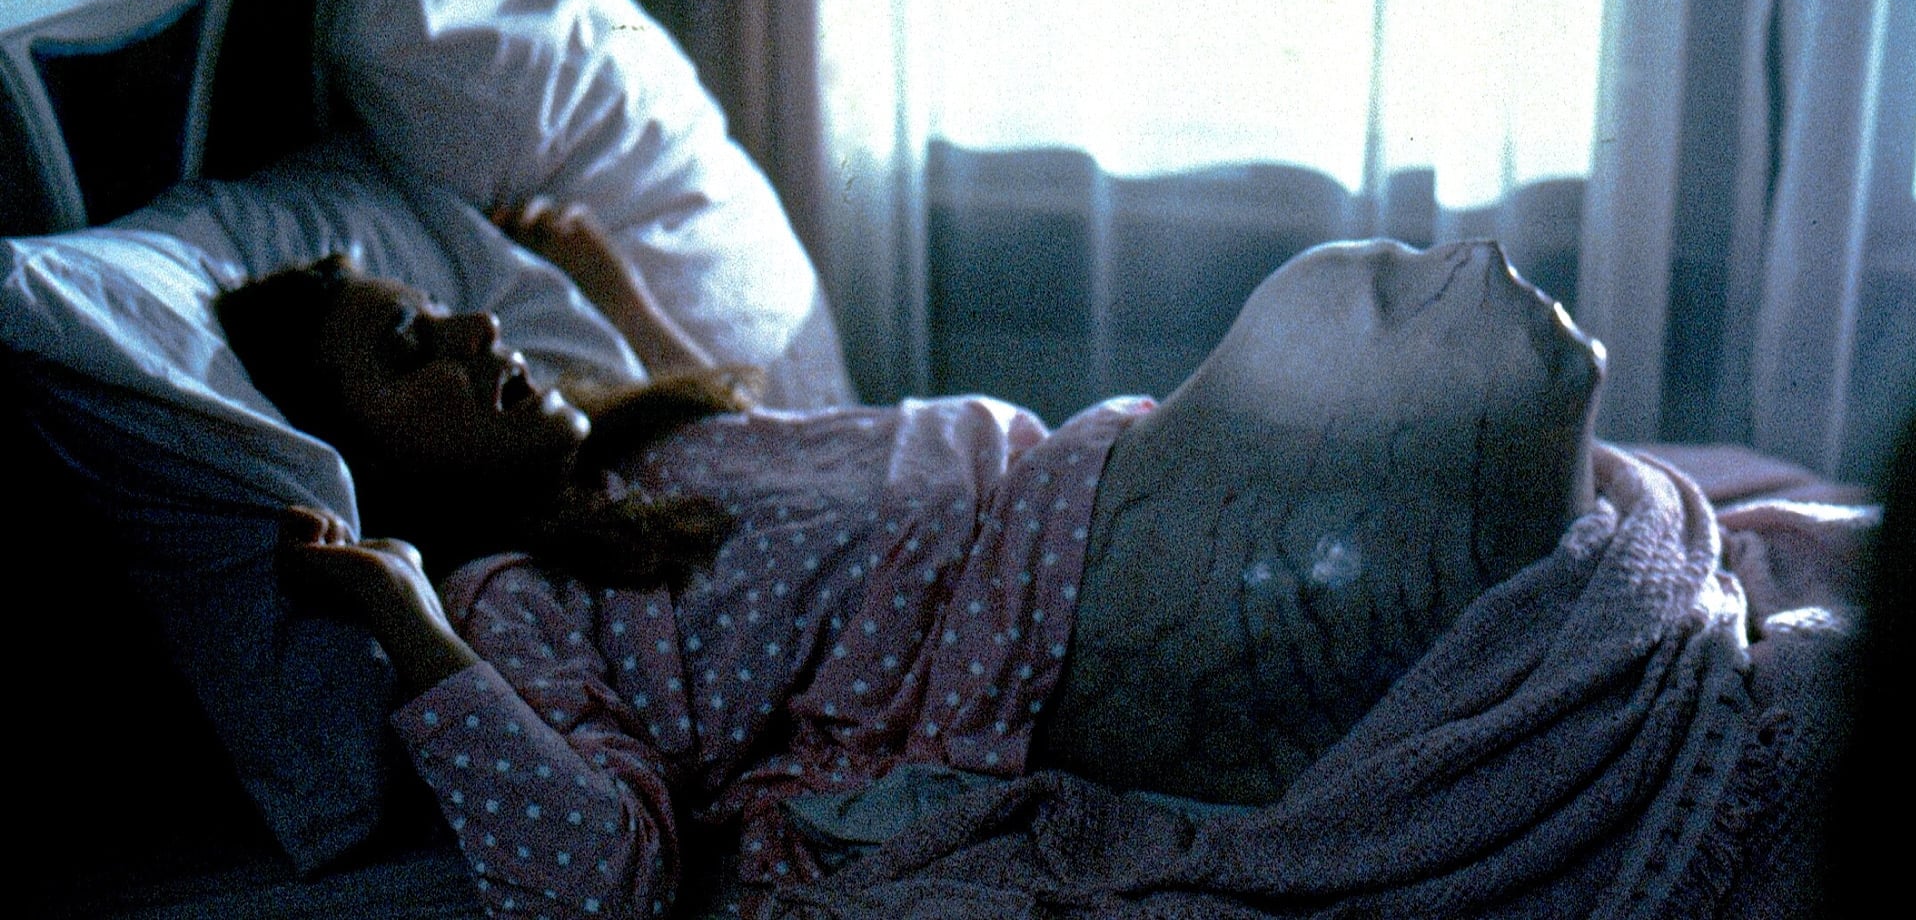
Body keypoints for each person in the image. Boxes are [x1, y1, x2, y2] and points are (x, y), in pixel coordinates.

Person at [219, 208, 1608, 918]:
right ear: (371, 463)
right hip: (1066, 620)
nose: (475, 332)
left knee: (1431, 347)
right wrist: (406, 624)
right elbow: (596, 879)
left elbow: (781, 458)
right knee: (1407, 333)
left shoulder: (636, 455)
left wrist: (612, 294)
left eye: (444, 310)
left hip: (1091, 484)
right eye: (409, 352)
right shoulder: (505, 605)